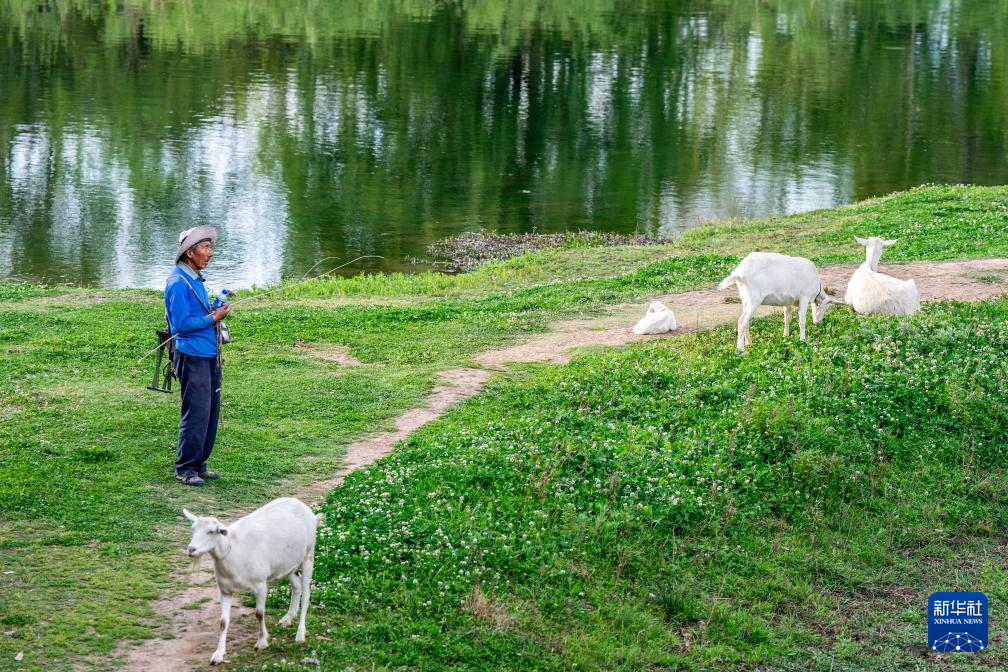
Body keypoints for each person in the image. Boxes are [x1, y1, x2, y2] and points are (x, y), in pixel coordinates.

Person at [165, 226, 231, 486]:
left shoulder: (193, 278)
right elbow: (180, 325)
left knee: (210, 411)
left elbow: (196, 315)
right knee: (197, 413)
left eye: (209, 247)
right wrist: (214, 317)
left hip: (207, 354)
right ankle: (185, 469)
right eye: (205, 248)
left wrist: (214, 308)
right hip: (192, 357)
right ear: (190, 252)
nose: (210, 253)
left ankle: (199, 464)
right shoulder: (178, 283)